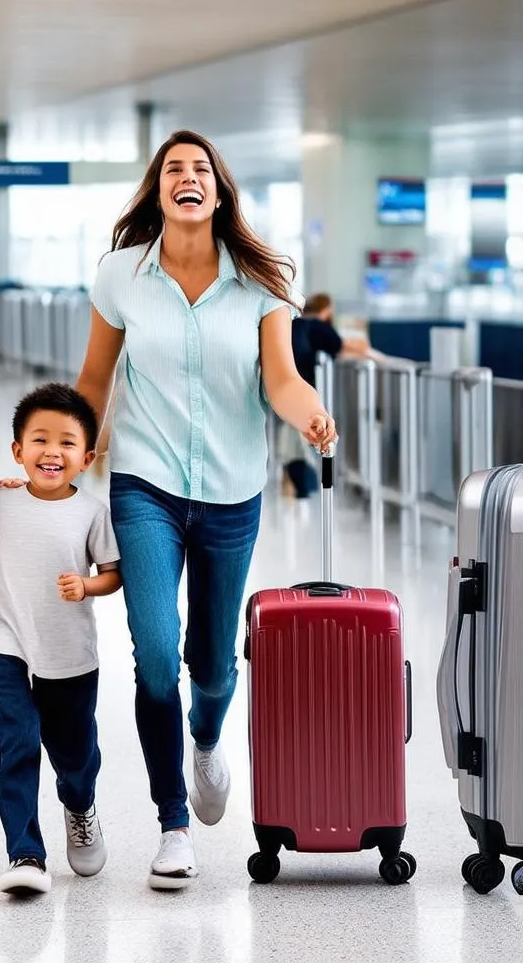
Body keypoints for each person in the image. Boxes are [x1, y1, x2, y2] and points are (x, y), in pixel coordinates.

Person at [75, 129, 337, 889]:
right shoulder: (121, 274)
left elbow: (281, 380)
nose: (186, 179)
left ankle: (205, 738)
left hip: (230, 490)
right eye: (172, 171)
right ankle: (171, 823)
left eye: (200, 171)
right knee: (156, 658)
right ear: (158, 191)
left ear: (219, 192)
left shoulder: (261, 282)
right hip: (145, 484)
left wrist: (309, 412)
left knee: (212, 665)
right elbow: (95, 378)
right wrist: (64, 449)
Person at [0, 383, 121, 896]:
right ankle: (25, 851)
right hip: (8, 638)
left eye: (67, 443)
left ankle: (79, 801)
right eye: (40, 440)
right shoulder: (3, 499)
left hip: (69, 652)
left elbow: (113, 573)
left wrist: (86, 585)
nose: (52, 452)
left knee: (74, 753)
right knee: (18, 739)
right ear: (18, 451)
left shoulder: (91, 512)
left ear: (86, 457)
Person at [280, 292, 373, 498]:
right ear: (327, 310)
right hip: (299, 394)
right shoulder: (314, 326)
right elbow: (340, 345)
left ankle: (296, 487)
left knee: (292, 443)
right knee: (299, 445)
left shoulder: (292, 323)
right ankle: (302, 489)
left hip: (286, 394)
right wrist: (367, 350)